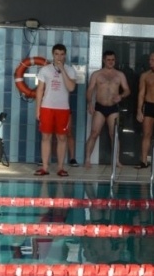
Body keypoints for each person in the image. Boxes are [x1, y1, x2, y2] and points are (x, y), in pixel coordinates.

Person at [35, 43, 77, 177]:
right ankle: (45, 168)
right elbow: (40, 90)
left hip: (63, 108)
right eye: (57, 54)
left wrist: (62, 70)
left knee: (62, 138)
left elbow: (71, 88)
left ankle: (60, 168)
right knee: (46, 137)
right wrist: (38, 110)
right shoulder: (45, 70)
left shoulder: (70, 70)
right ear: (53, 55)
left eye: (62, 54)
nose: (59, 56)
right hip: (47, 107)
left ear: (65, 55)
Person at [84, 50, 130, 167]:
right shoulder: (97, 74)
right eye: (108, 60)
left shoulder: (119, 75)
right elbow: (89, 90)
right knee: (94, 133)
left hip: (113, 108)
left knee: (114, 134)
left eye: (113, 60)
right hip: (100, 107)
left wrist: (121, 96)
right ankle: (88, 159)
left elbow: (127, 90)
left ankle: (116, 160)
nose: (111, 62)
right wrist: (90, 103)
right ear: (104, 60)